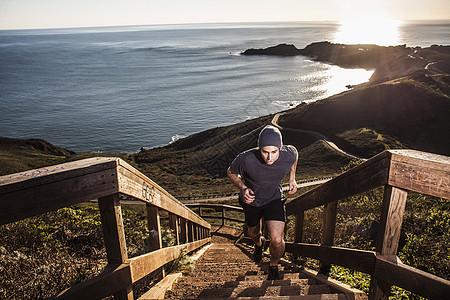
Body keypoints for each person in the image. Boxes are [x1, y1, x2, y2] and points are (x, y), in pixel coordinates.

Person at [227, 125, 298, 280]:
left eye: (274, 152)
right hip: (252, 201)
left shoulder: (289, 154)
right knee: (253, 233)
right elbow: (231, 171)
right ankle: (259, 244)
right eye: (265, 152)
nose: (269, 157)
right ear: (259, 148)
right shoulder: (246, 159)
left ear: (280, 148)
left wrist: (292, 178)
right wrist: (243, 187)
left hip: (274, 199)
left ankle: (273, 264)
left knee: (277, 240)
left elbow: (295, 156)